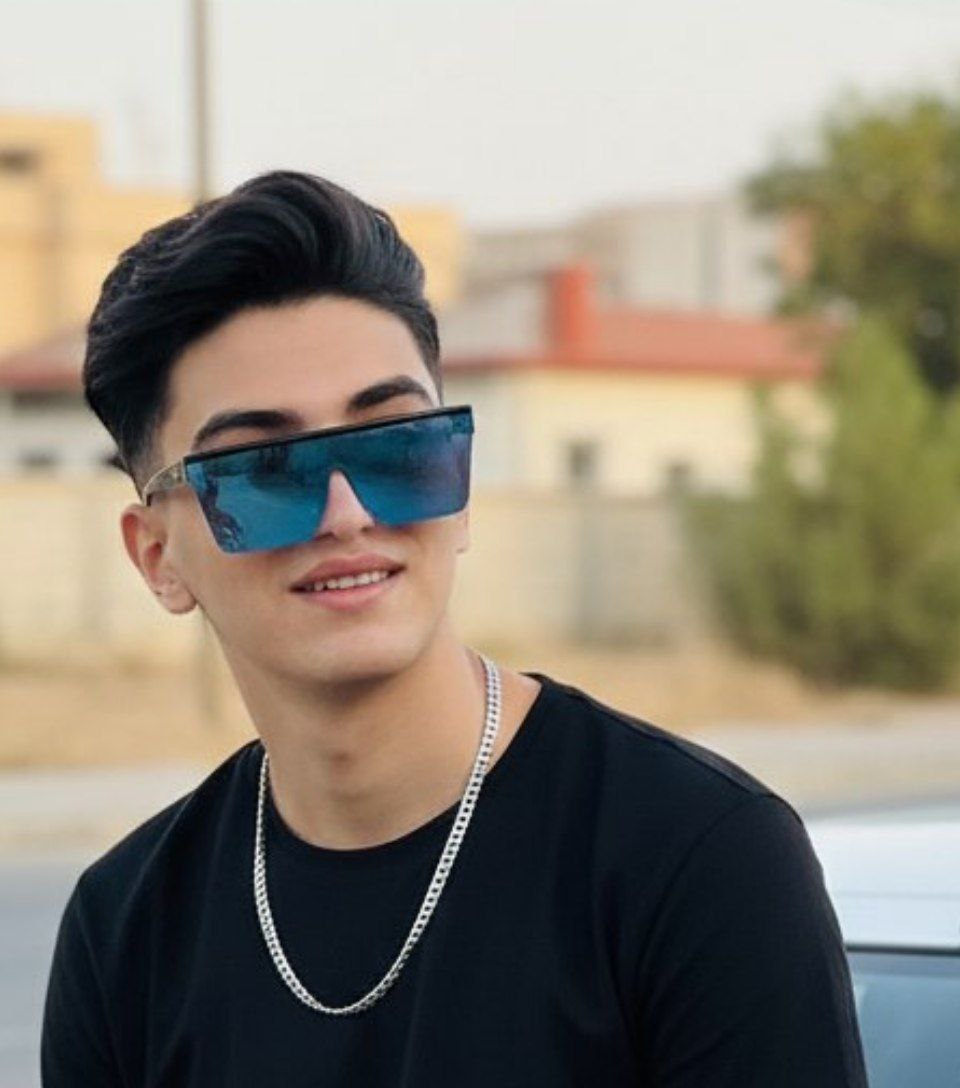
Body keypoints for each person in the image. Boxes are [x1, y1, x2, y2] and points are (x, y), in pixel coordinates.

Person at [40, 170, 867, 1087]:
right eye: (264, 472)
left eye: (397, 443)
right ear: (158, 556)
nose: (347, 513)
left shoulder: (694, 859)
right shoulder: (125, 931)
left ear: (459, 485)